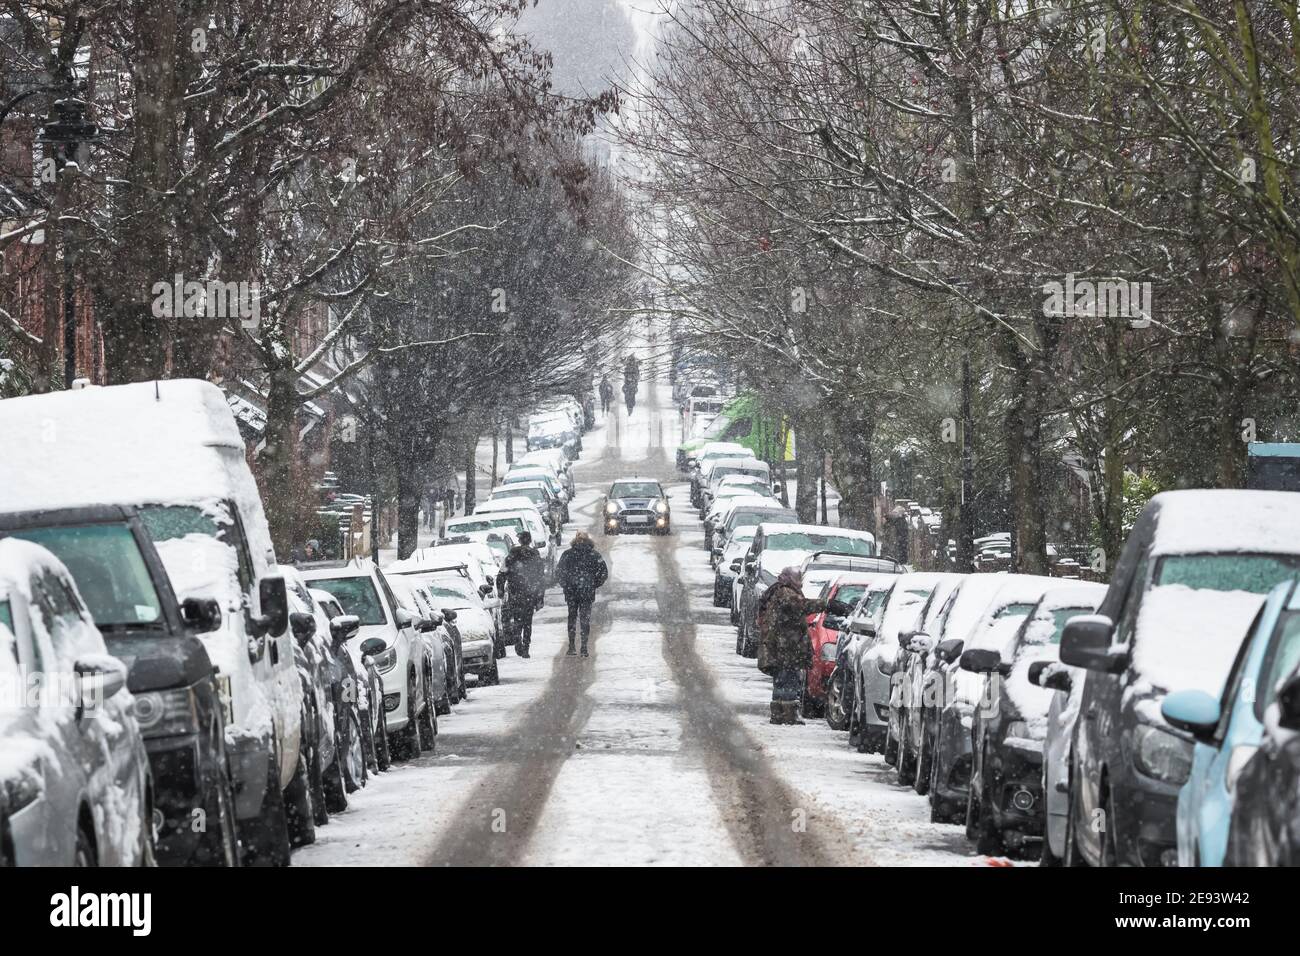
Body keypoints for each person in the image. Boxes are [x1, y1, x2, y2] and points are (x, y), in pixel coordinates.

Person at [757, 568, 830, 724]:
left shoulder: (779, 591)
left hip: (782, 647)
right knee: (789, 680)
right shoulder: (785, 592)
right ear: (791, 579)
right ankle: (788, 715)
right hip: (786, 648)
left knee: (782, 680)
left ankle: (778, 714)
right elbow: (802, 605)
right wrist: (826, 604)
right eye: (798, 578)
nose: (801, 581)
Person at [554, 531, 608, 657]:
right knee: (585, 619)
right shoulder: (594, 555)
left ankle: (572, 645)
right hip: (587, 592)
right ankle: (584, 647)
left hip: (571, 592)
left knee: (572, 617)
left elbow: (559, 572)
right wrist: (594, 584)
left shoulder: (567, 554)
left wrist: (566, 584)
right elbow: (603, 572)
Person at [498, 530, 546, 658]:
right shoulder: (535, 556)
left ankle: (517, 638)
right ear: (529, 541)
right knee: (527, 621)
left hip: (515, 592)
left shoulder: (511, 556)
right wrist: (540, 596)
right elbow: (541, 577)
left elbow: (501, 574)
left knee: (517, 618)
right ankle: (526, 646)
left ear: (519, 541)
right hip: (530, 593)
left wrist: (501, 590)